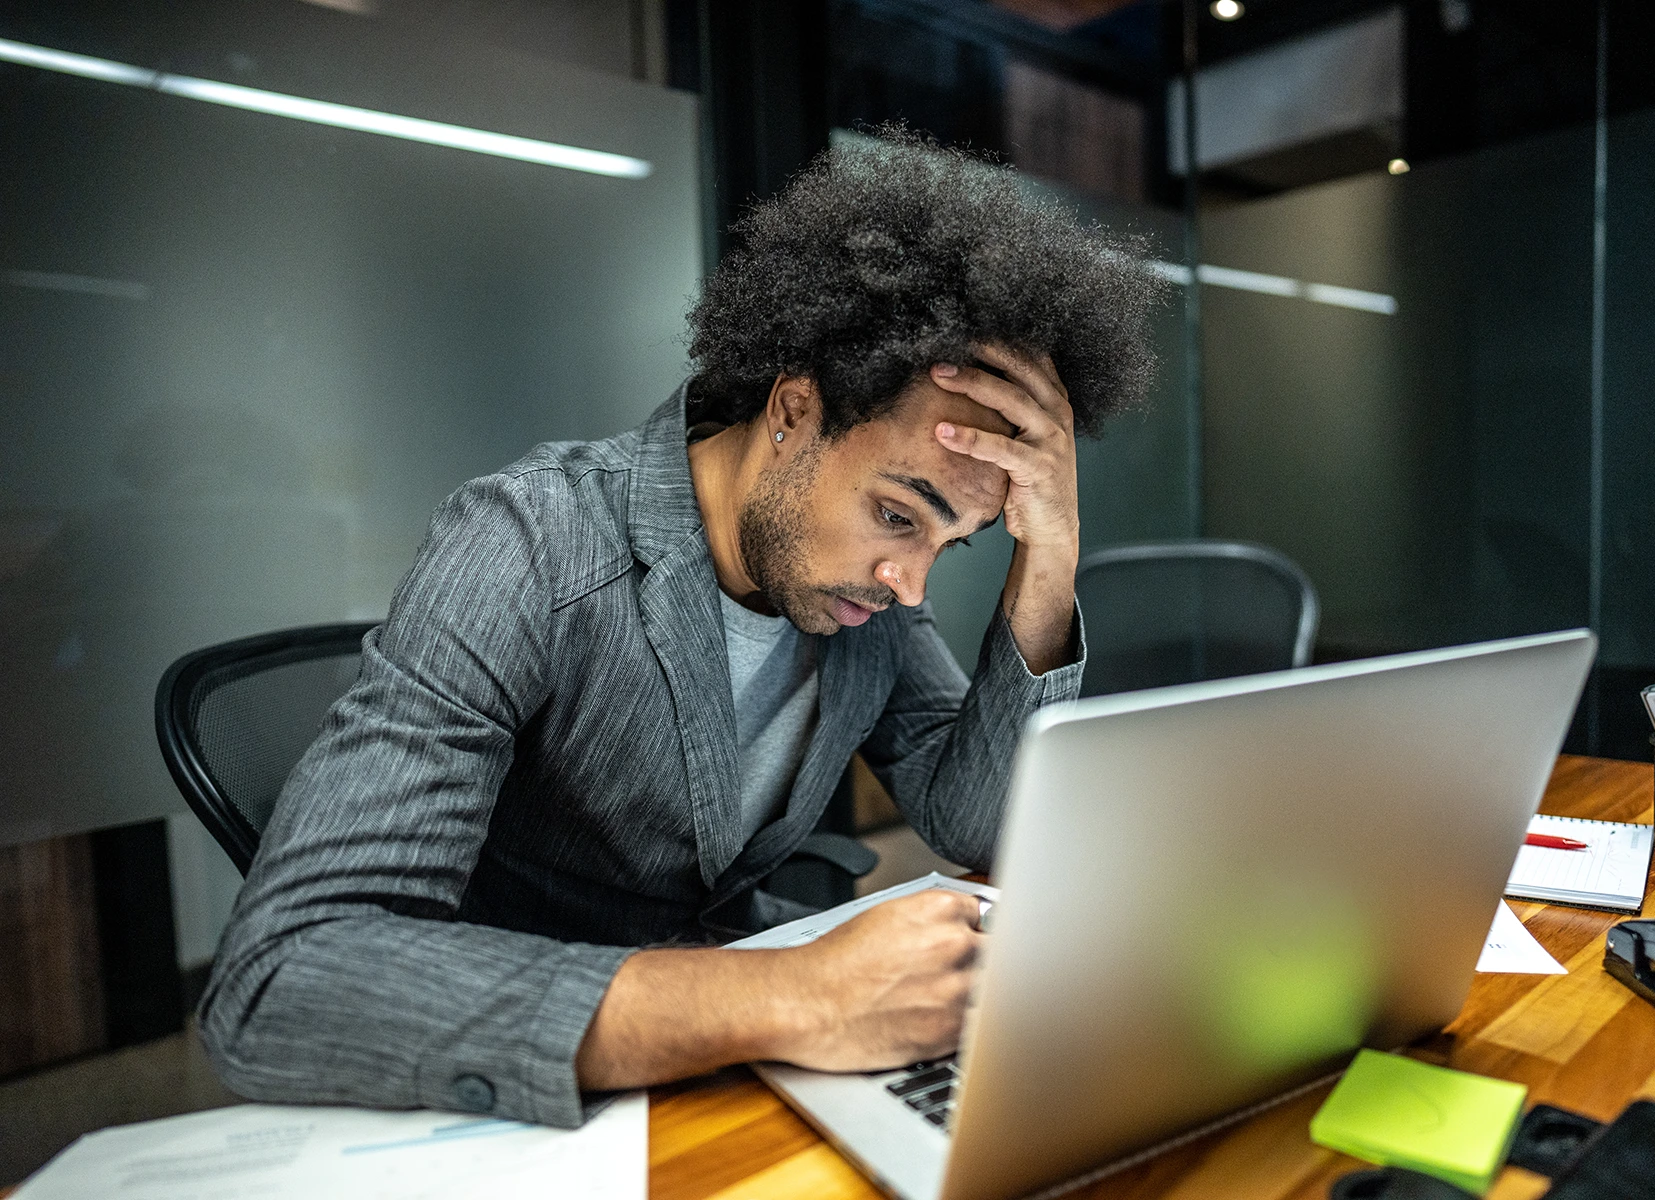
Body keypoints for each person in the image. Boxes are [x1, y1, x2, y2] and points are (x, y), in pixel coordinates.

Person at [199, 131, 1164, 1127]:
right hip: (527, 1086)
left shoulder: (858, 595)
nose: (910, 587)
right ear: (793, 409)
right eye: (896, 514)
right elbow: (283, 975)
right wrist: (794, 997)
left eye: (950, 544)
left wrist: (1048, 556)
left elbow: (975, 825)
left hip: (740, 1061)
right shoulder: (529, 544)